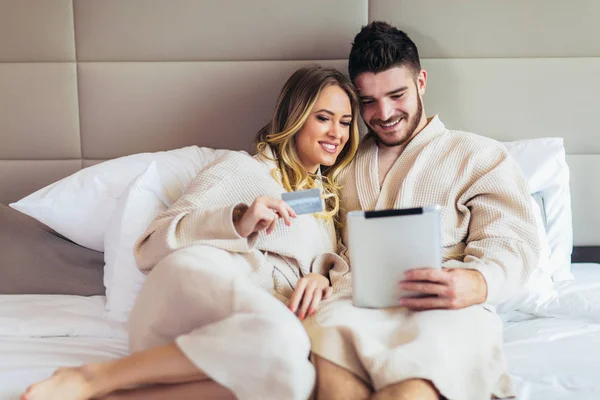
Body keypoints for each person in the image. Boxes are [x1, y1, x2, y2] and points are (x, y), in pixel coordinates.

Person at [22, 64, 360, 400]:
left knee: (296, 380)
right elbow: (151, 245)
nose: (337, 133)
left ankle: (110, 394)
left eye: (345, 123)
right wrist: (239, 220)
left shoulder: (326, 204)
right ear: (295, 117)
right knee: (284, 337)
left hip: (248, 332)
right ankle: (96, 376)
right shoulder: (240, 168)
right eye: (324, 118)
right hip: (194, 289)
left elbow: (336, 267)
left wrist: (322, 279)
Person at [303, 22, 541, 400]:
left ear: (422, 82)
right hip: (351, 303)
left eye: (397, 94)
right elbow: (304, 219)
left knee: (410, 389)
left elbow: (513, 240)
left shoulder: (478, 156)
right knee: (332, 371)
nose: (384, 113)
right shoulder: (341, 160)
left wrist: (478, 282)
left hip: (444, 307)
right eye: (368, 102)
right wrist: (315, 273)